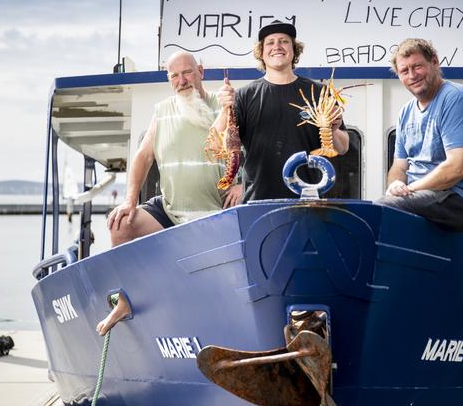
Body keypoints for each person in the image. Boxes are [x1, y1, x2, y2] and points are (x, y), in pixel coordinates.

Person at [96, 50, 242, 335]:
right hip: (172, 208)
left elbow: (251, 148)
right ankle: (125, 300)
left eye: (187, 72)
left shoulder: (223, 104)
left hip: (215, 212)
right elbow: (143, 156)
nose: (181, 80)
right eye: (174, 75)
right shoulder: (162, 111)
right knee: (121, 224)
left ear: (201, 71)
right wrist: (129, 200)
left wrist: (242, 185)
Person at [215, 20, 349, 201]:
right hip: (257, 199)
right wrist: (225, 109)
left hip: (309, 198)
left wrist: (332, 129)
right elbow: (216, 142)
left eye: (284, 41)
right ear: (261, 53)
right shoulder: (244, 95)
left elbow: (343, 147)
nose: (277, 46)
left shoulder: (319, 92)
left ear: (294, 50)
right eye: (270, 42)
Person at [379, 38, 463, 232]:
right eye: (404, 71)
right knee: (377, 207)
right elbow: (399, 166)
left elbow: (458, 168)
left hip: (460, 197)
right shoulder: (406, 112)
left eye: (417, 66)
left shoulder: (457, 98)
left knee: (384, 210)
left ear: (434, 62)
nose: (412, 75)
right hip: (424, 194)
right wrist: (396, 185)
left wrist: (409, 190)